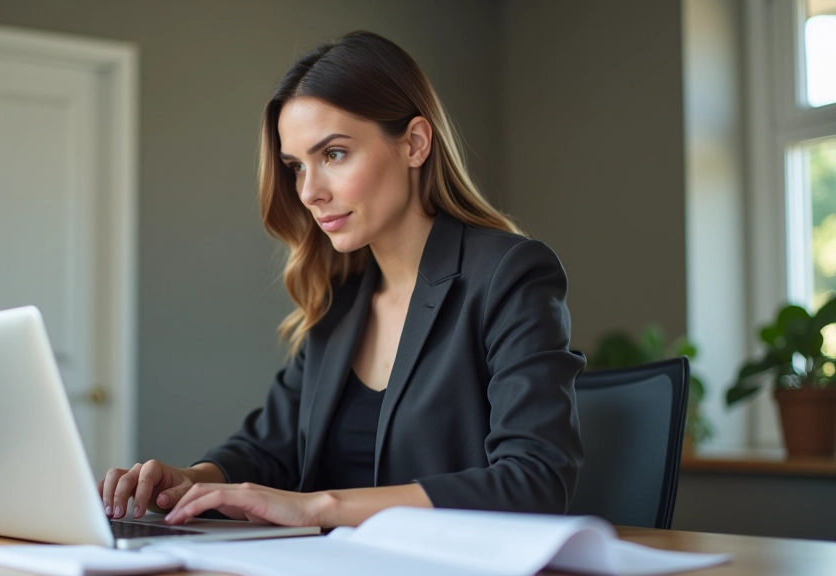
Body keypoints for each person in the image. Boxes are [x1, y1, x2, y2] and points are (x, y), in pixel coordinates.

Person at [99, 31, 584, 529]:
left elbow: (535, 480)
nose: (309, 192)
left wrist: (320, 507)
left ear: (414, 144)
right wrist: (191, 478)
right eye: (295, 166)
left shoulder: (509, 274)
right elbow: (269, 448)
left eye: (333, 154)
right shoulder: (340, 302)